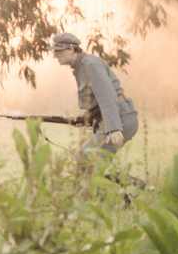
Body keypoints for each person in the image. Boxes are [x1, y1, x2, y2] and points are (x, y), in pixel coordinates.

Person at [50, 32, 145, 189]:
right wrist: (86, 117)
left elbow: (107, 96)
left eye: (58, 51)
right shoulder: (81, 66)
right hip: (113, 119)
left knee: (85, 157)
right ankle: (124, 189)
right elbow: (96, 99)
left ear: (72, 50)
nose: (55, 55)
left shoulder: (89, 64)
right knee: (93, 160)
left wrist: (114, 128)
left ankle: (130, 187)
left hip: (121, 120)